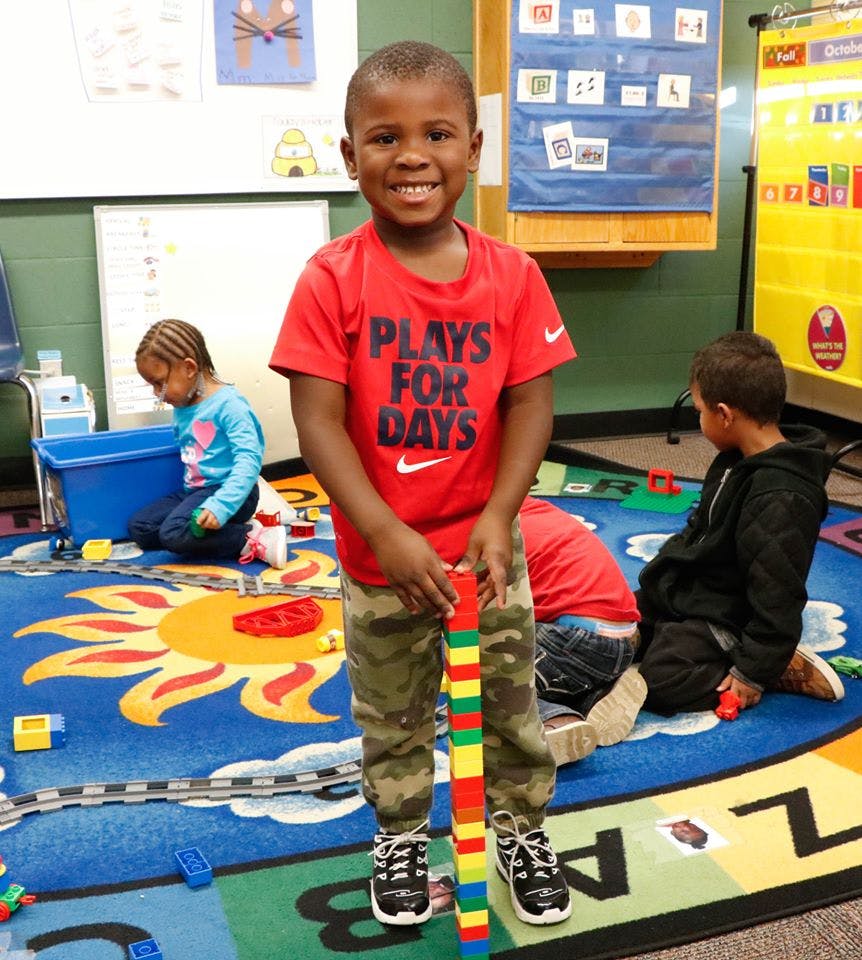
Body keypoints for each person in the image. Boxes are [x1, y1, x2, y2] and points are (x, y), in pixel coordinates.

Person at [269, 41, 576, 928]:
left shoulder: (512, 275)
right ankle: (401, 835)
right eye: (384, 137)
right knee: (394, 715)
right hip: (381, 558)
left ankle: (520, 827)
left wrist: (500, 514)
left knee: (511, 708)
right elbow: (318, 422)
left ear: (474, 150)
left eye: (438, 133)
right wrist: (387, 533)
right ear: (349, 156)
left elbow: (531, 405)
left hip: (485, 551)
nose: (412, 155)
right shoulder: (331, 278)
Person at [635, 331, 844, 715]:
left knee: (658, 681)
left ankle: (775, 667)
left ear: (725, 414)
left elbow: (777, 592)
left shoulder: (782, 495)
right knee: (608, 631)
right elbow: (701, 529)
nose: (699, 420)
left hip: (730, 616)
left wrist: (753, 668)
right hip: (694, 594)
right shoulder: (734, 457)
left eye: (700, 410)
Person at [128, 318, 287, 568]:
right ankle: (211, 533)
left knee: (172, 533)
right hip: (196, 490)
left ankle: (251, 538)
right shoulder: (184, 404)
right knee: (141, 527)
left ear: (189, 368)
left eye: (160, 383)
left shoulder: (229, 406)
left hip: (233, 493)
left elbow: (249, 462)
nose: (157, 393)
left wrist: (221, 505)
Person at [519, 496, 647, 765]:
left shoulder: (481, 530)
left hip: (574, 639)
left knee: (477, 677)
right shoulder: (535, 509)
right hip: (624, 639)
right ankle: (596, 697)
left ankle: (556, 718)